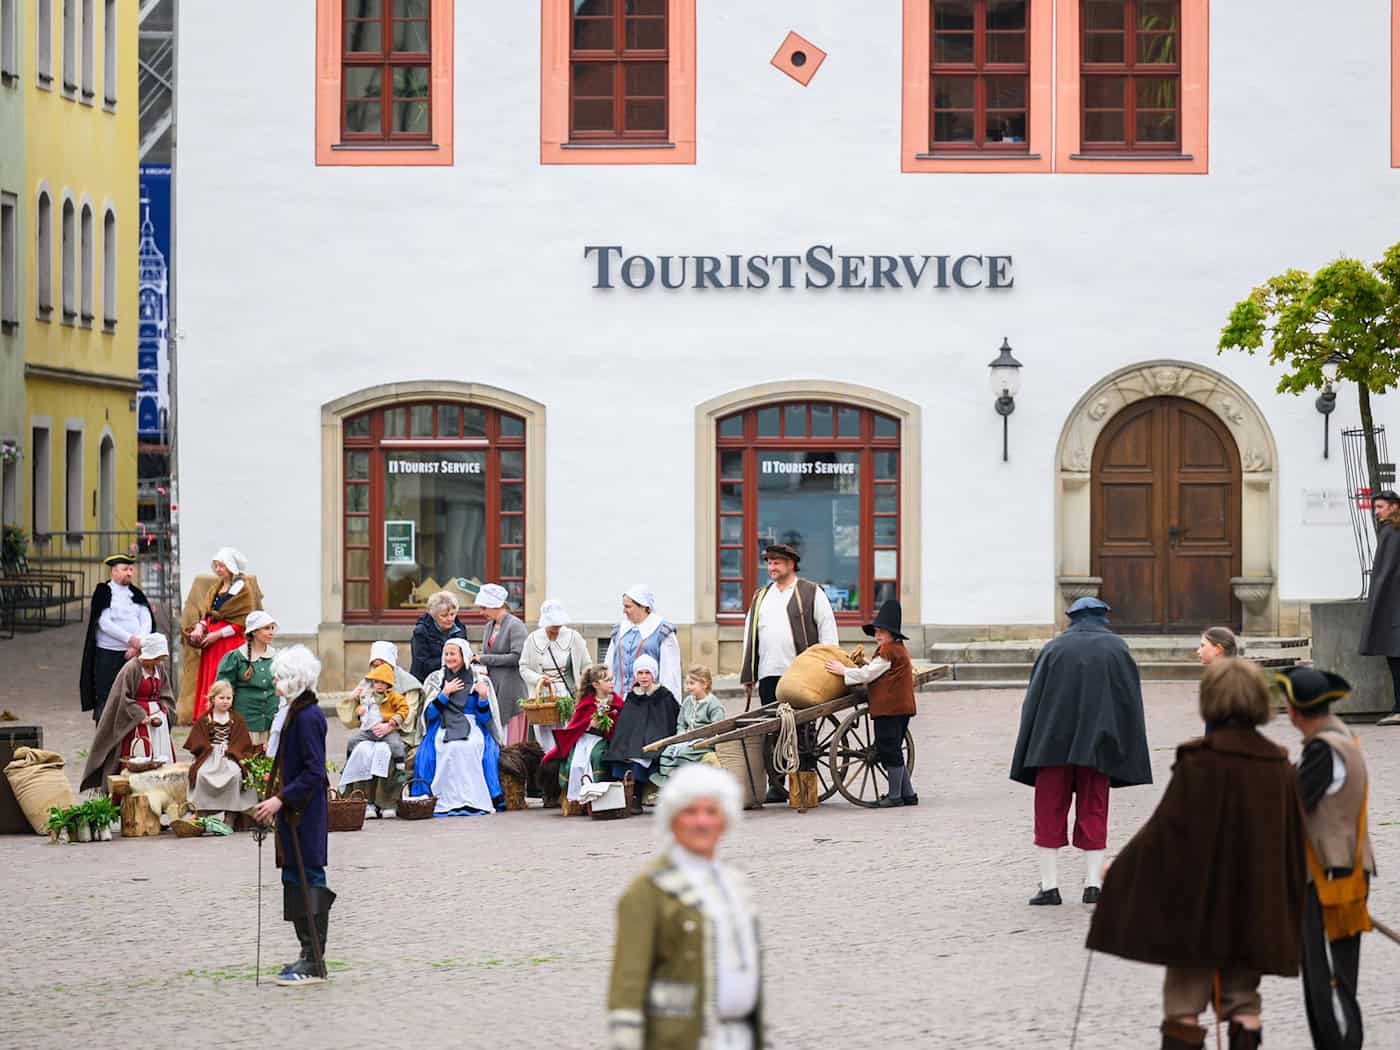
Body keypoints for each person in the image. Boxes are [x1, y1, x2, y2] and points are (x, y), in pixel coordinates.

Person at [1087, 659, 1306, 1050]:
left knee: (1183, 1002)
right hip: (1255, 906)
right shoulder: (1281, 768)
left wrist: (1118, 869)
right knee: (1243, 998)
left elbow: (1164, 833)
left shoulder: (1199, 763)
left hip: (1198, 909)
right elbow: (1294, 839)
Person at [607, 763, 763, 1050]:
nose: (702, 822)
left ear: (725, 820)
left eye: (711, 811)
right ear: (673, 820)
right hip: (679, 1039)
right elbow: (628, 978)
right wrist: (625, 1037)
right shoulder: (647, 891)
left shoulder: (735, 884)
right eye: (691, 812)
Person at [1009, 596, 1152, 905]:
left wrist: (1030, 742)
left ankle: (1049, 887)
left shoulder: (1054, 648)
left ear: (1072, 617)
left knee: (1048, 810)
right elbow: (1129, 700)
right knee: (1095, 809)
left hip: (1051, 745)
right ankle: (1093, 885)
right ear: (1103, 616)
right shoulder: (1117, 649)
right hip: (1099, 745)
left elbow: (1033, 701)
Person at [1277, 666, 1375, 1049]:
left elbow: (1293, 806)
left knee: (1328, 981)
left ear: (1296, 711)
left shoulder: (1323, 748)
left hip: (1331, 876)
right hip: (1341, 869)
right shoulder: (1339, 736)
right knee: (1335, 979)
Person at [255, 645, 334, 987]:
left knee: (309, 879)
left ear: (293, 681)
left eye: (278, 677)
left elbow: (315, 771)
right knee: (293, 880)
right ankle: (306, 952)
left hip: (305, 813)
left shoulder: (308, 716)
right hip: (292, 813)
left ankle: (315, 959)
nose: (274, 682)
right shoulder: (293, 712)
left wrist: (280, 800)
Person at [739, 544, 838, 802]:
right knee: (774, 730)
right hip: (769, 672)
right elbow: (749, 634)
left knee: (803, 730)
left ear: (792, 564)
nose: (772, 567)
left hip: (801, 674)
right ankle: (778, 783)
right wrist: (748, 672)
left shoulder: (810, 592)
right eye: (769, 563)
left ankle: (804, 782)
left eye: (777, 563)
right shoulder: (761, 595)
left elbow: (827, 631)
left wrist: (829, 666)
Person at [826, 599, 917, 808]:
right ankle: (908, 794)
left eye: (881, 632)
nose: (877, 636)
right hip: (900, 708)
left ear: (892, 634)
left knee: (888, 749)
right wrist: (866, 662)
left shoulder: (889, 651)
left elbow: (869, 674)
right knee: (893, 748)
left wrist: (844, 671)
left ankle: (895, 796)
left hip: (890, 709)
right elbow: (879, 669)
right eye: (876, 632)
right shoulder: (895, 650)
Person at [415, 638, 505, 815]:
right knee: (447, 747)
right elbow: (429, 715)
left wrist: (483, 698)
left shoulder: (479, 679)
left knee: (471, 746)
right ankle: (444, 799)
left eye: (453, 654)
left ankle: (472, 799)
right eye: (446, 654)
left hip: (472, 723)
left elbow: (485, 717)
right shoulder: (436, 679)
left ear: (464, 656)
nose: (449, 658)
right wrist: (444, 694)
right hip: (443, 723)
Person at [81, 634, 177, 791]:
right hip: (135, 727)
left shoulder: (159, 669)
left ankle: (160, 795)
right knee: (138, 757)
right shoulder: (131, 669)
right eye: (155, 658)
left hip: (158, 726)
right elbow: (121, 699)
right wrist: (139, 714)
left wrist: (164, 710)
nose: (158, 662)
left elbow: (166, 693)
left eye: (160, 658)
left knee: (160, 759)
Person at [181, 548, 263, 724]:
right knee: (210, 679)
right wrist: (200, 627)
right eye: (216, 566)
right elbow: (209, 614)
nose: (218, 569)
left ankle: (227, 719)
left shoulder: (243, 589)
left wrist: (217, 634)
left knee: (224, 678)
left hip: (229, 643)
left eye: (222, 566)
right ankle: (210, 718)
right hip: (211, 644)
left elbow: (241, 622)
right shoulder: (216, 588)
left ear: (231, 567)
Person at [342, 640, 424, 814]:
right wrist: (355, 703)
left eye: (382, 664)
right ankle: (362, 801)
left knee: (386, 752)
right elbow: (353, 717)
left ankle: (388, 803)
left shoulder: (409, 684)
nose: (377, 669)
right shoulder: (369, 683)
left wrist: (389, 725)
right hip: (371, 732)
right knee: (361, 750)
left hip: (397, 733)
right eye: (374, 665)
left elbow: (409, 714)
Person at [80, 553, 156, 724]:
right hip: (108, 653)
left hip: (134, 653)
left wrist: (139, 644)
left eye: (131, 569)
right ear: (114, 571)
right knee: (107, 694)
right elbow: (104, 623)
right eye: (124, 569)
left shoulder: (136, 593)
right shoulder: (104, 591)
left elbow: (147, 620)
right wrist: (130, 639)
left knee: (133, 692)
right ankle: (105, 734)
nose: (129, 573)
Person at [604, 654, 681, 815]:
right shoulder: (632, 696)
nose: (644, 677)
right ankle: (623, 798)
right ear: (635, 675)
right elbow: (625, 725)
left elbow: (668, 721)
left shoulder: (664, 695)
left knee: (640, 758)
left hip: (654, 740)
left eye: (647, 673)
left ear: (653, 674)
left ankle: (636, 797)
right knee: (620, 756)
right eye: (640, 673)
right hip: (632, 741)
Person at [541, 663, 624, 809]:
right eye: (608, 680)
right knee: (577, 762)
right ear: (596, 684)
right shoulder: (586, 704)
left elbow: (620, 728)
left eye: (612, 679)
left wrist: (606, 727)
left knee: (596, 756)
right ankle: (577, 799)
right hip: (584, 739)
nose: (612, 683)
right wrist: (589, 724)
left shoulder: (617, 703)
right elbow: (575, 726)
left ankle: (596, 797)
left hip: (604, 741)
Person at [520, 598, 592, 750]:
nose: (556, 628)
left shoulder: (574, 637)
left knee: (568, 736)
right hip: (542, 695)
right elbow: (524, 668)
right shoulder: (532, 639)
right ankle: (548, 768)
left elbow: (587, 666)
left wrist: (585, 691)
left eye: (559, 624)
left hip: (567, 694)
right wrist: (539, 678)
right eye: (553, 624)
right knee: (545, 739)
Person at [185, 680, 259, 820]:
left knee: (235, 775)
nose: (225, 701)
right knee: (201, 775)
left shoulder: (236, 719)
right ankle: (202, 812)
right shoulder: (204, 719)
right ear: (213, 699)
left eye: (228, 698)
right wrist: (208, 748)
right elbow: (197, 740)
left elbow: (242, 741)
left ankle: (231, 814)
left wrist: (232, 750)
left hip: (230, 756)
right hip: (209, 757)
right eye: (221, 698)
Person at [337, 664, 409, 807]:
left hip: (387, 729)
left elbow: (404, 709)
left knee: (396, 745)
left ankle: (400, 769)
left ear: (388, 684)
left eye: (383, 682)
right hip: (369, 731)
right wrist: (359, 710)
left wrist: (393, 722)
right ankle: (348, 763)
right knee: (353, 741)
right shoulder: (367, 695)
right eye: (377, 682)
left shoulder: (394, 697)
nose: (379, 685)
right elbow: (358, 706)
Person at [1359, 488, 1400, 725]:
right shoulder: (1391, 531)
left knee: (1395, 660)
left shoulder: (1392, 533)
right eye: (1375, 508)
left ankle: (1399, 708)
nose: (1376, 512)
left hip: (1393, 606)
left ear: (1394, 507)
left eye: (1380, 507)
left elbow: (1385, 574)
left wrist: (1377, 602)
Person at [651, 666, 725, 791]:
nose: (688, 687)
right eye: (687, 683)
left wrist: (699, 740)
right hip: (685, 739)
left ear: (704, 684)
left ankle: (683, 780)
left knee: (684, 754)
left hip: (702, 742)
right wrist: (682, 736)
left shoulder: (714, 705)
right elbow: (681, 723)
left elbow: (717, 728)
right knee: (667, 753)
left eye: (692, 683)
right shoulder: (688, 701)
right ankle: (670, 782)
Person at [607, 584, 683, 702]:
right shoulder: (619, 630)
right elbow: (609, 666)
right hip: (618, 701)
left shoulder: (662, 631)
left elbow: (670, 674)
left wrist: (670, 705)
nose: (624, 611)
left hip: (649, 703)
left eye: (628, 607)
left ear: (643, 607)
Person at [476, 583, 530, 743]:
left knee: (510, 740)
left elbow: (517, 657)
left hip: (511, 691)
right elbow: (488, 653)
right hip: (494, 688)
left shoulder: (516, 625)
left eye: (484, 607)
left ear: (496, 605)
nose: (481, 612)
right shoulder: (489, 626)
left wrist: (484, 658)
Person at [216, 609, 279, 745]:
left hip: (271, 723)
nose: (271, 632)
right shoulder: (235, 658)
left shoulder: (277, 657)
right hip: (245, 724)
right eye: (266, 628)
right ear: (254, 632)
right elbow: (222, 689)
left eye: (272, 628)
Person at [410, 591, 466, 683]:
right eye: (444, 616)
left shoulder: (460, 628)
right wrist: (450, 660)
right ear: (434, 616)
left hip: (454, 680)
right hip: (426, 681)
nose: (450, 619)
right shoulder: (421, 631)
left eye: (452, 614)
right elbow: (421, 664)